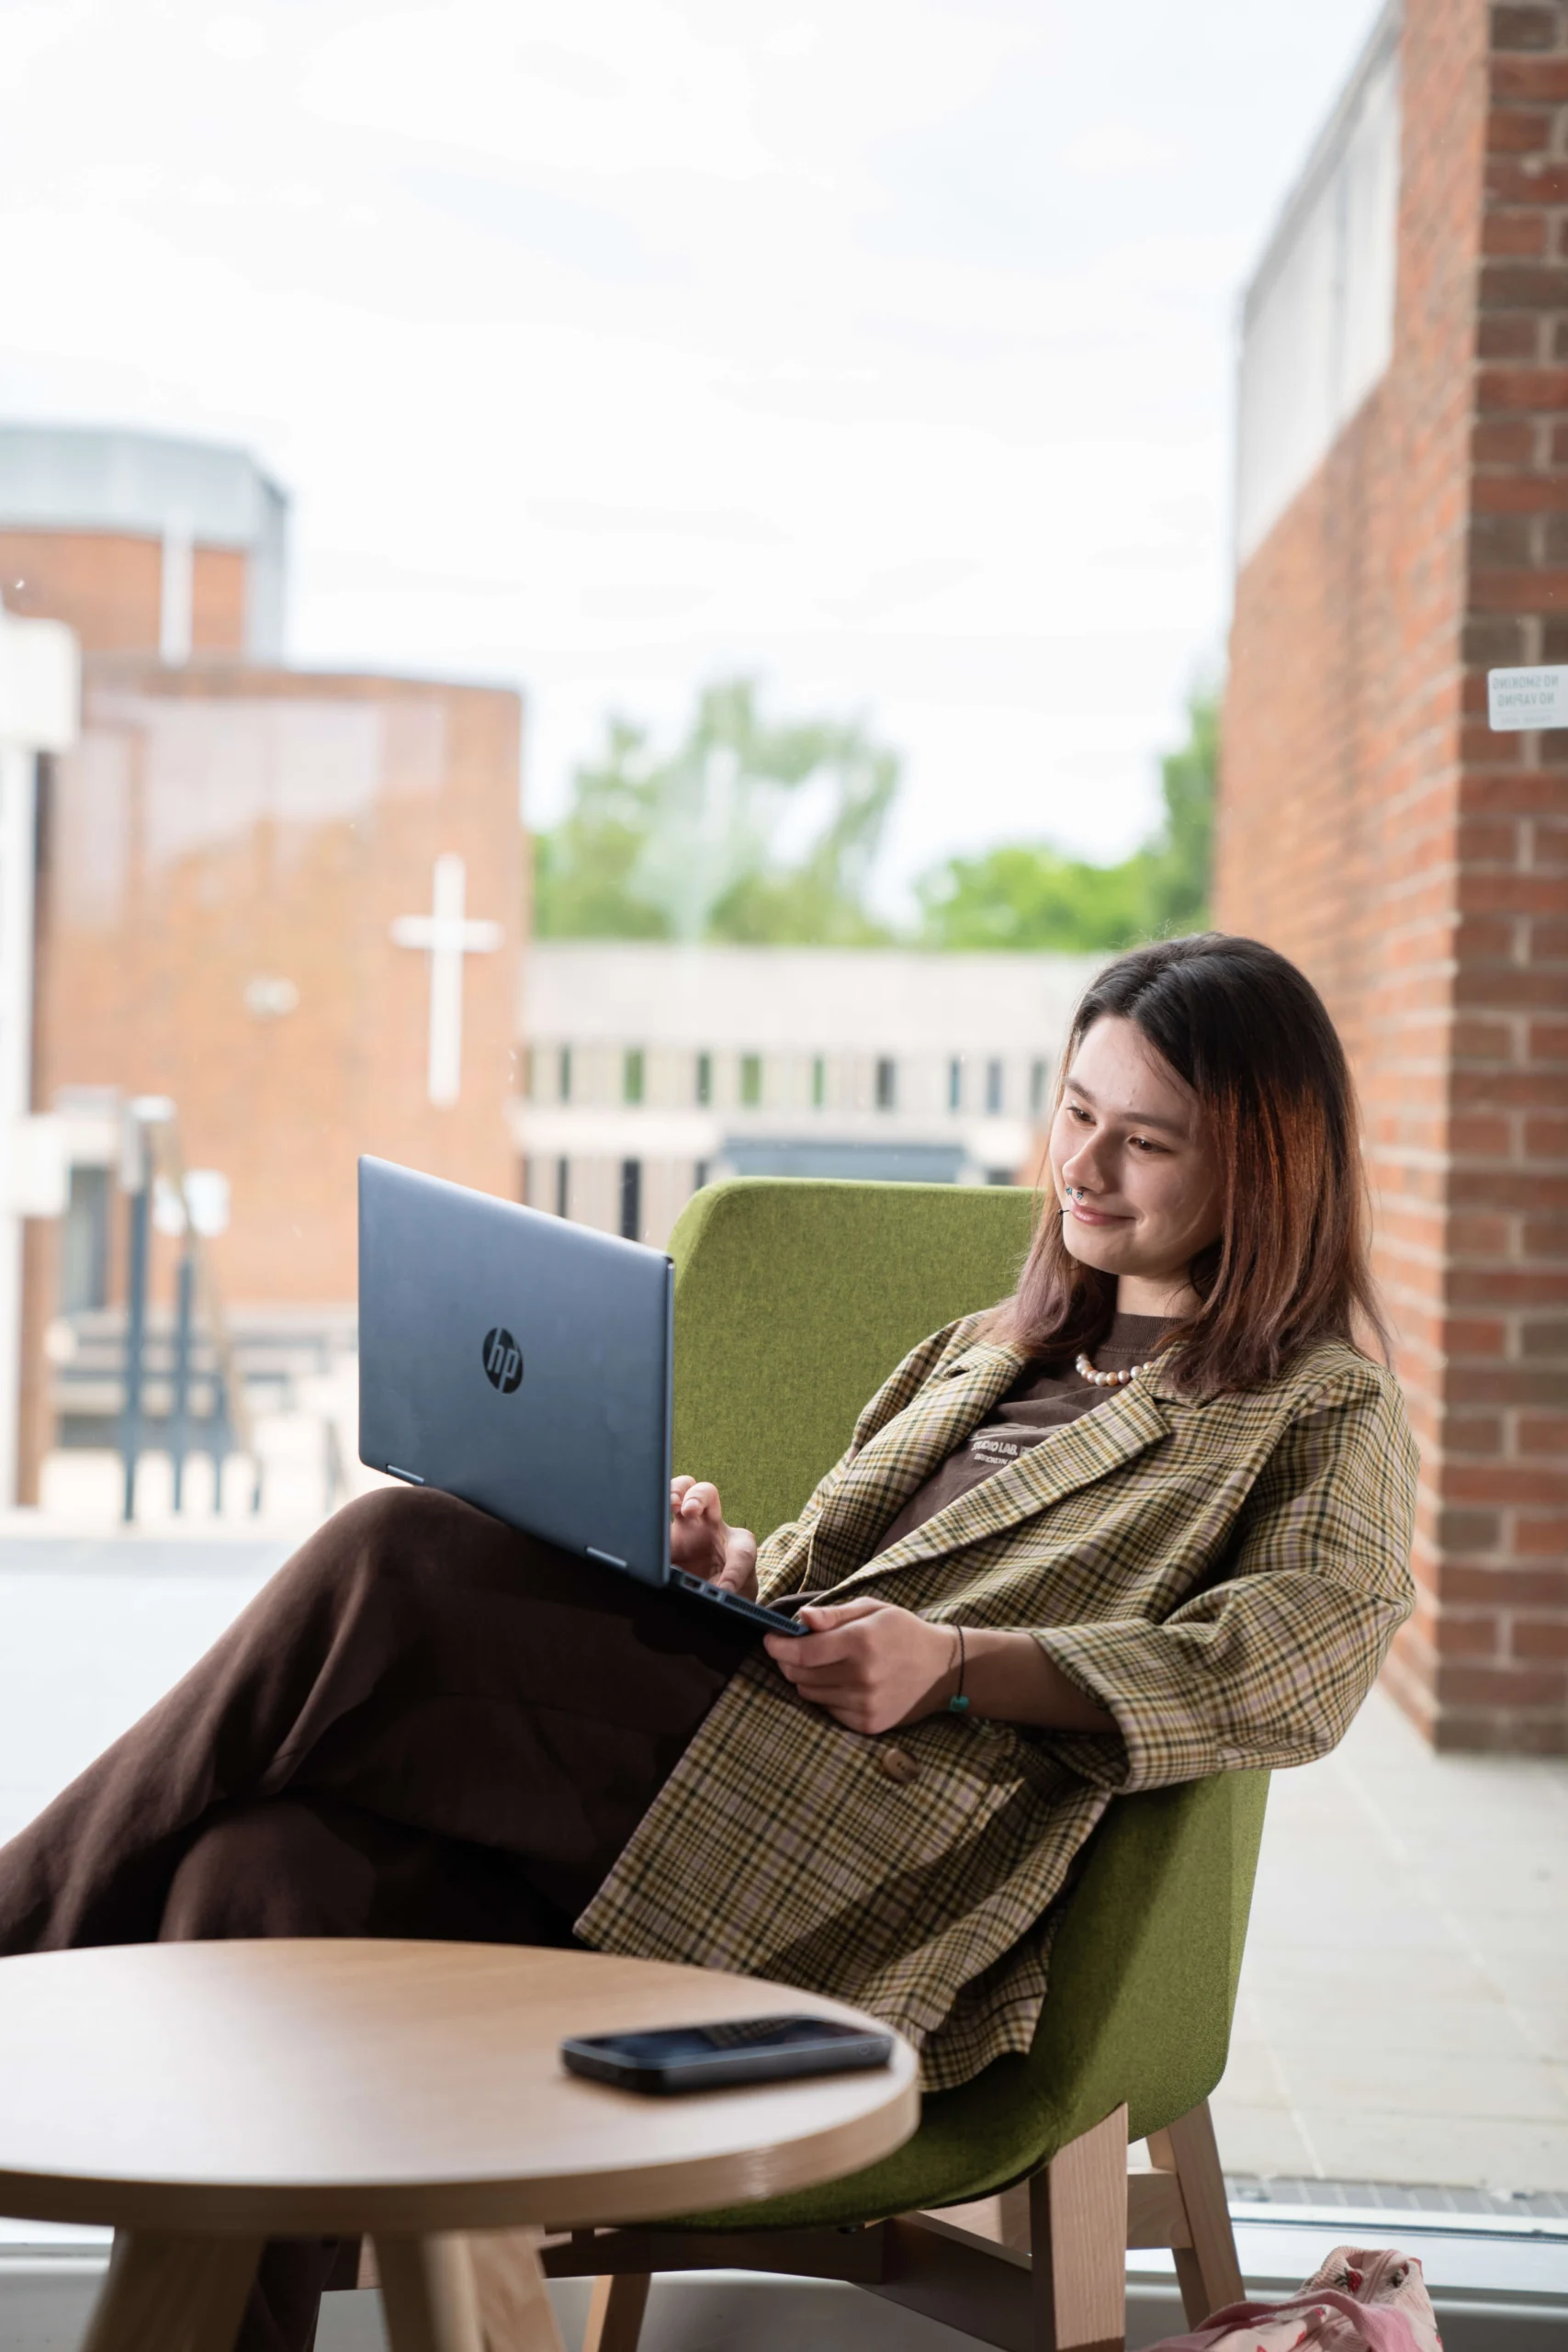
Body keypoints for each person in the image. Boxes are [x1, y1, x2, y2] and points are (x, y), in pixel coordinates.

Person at [0, 933, 1418, 2352]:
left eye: (1146, 1143)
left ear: (1258, 1164)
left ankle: (17, 1933)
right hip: (742, 1751)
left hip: (872, 1854)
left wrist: (958, 1663)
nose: (1083, 1170)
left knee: (397, 1557)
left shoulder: (1314, 1410)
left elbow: (1292, 1668)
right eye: (1074, 1114)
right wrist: (717, 1573)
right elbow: (817, 1582)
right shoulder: (978, 1353)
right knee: (265, 1873)